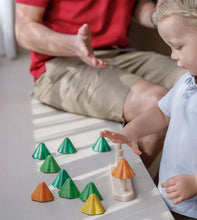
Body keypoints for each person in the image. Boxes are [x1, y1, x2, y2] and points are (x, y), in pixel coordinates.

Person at [15, 0, 183, 174]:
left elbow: (133, 5)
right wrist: (73, 44)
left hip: (120, 53)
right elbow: (24, 29)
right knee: (160, 104)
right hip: (60, 61)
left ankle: (180, 186)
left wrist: (155, 16)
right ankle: (128, 186)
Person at [101, 0, 197, 219]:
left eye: (178, 47)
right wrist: (132, 131)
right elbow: (163, 113)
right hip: (174, 198)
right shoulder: (187, 80)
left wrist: (196, 183)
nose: (173, 55)